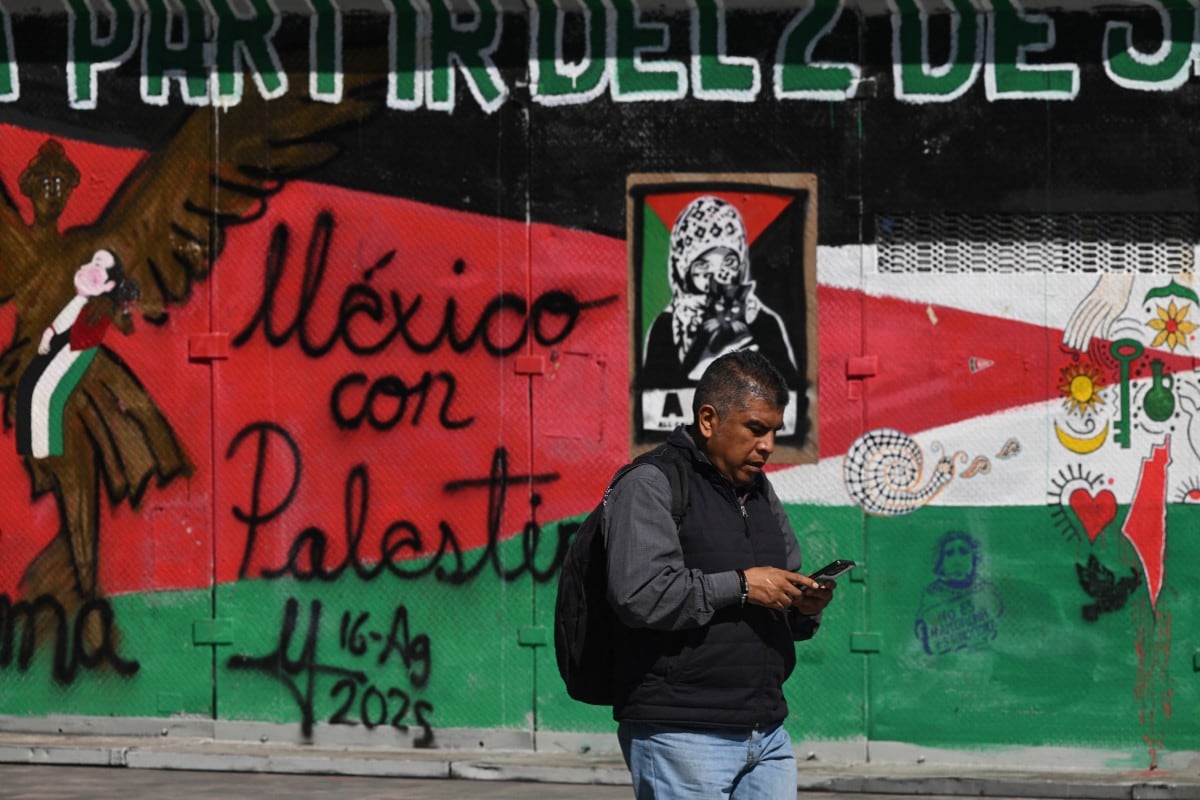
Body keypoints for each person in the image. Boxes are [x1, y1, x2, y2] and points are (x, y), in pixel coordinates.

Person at [604, 349, 836, 799]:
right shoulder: (651, 483)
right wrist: (745, 585)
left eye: (773, 431)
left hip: (765, 731)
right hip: (681, 734)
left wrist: (802, 607)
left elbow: (776, 587)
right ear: (708, 420)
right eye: (755, 429)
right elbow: (640, 594)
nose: (767, 445)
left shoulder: (760, 492)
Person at [641, 196, 800, 390]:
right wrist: (703, 367)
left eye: (729, 263)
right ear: (684, 269)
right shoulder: (668, 326)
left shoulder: (761, 320)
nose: (718, 276)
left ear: (741, 266)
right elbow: (650, 401)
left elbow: (792, 394)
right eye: (703, 265)